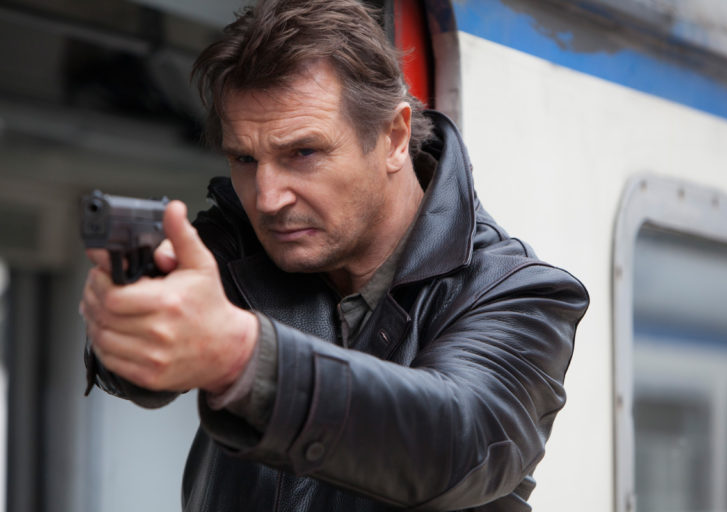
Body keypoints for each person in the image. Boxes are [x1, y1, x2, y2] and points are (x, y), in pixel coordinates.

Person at [80, 0, 589, 510]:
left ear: (394, 137)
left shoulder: (521, 293)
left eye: (303, 153)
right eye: (245, 158)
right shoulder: (238, 240)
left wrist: (241, 356)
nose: (267, 198)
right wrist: (129, 320)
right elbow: (140, 373)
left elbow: (456, 443)